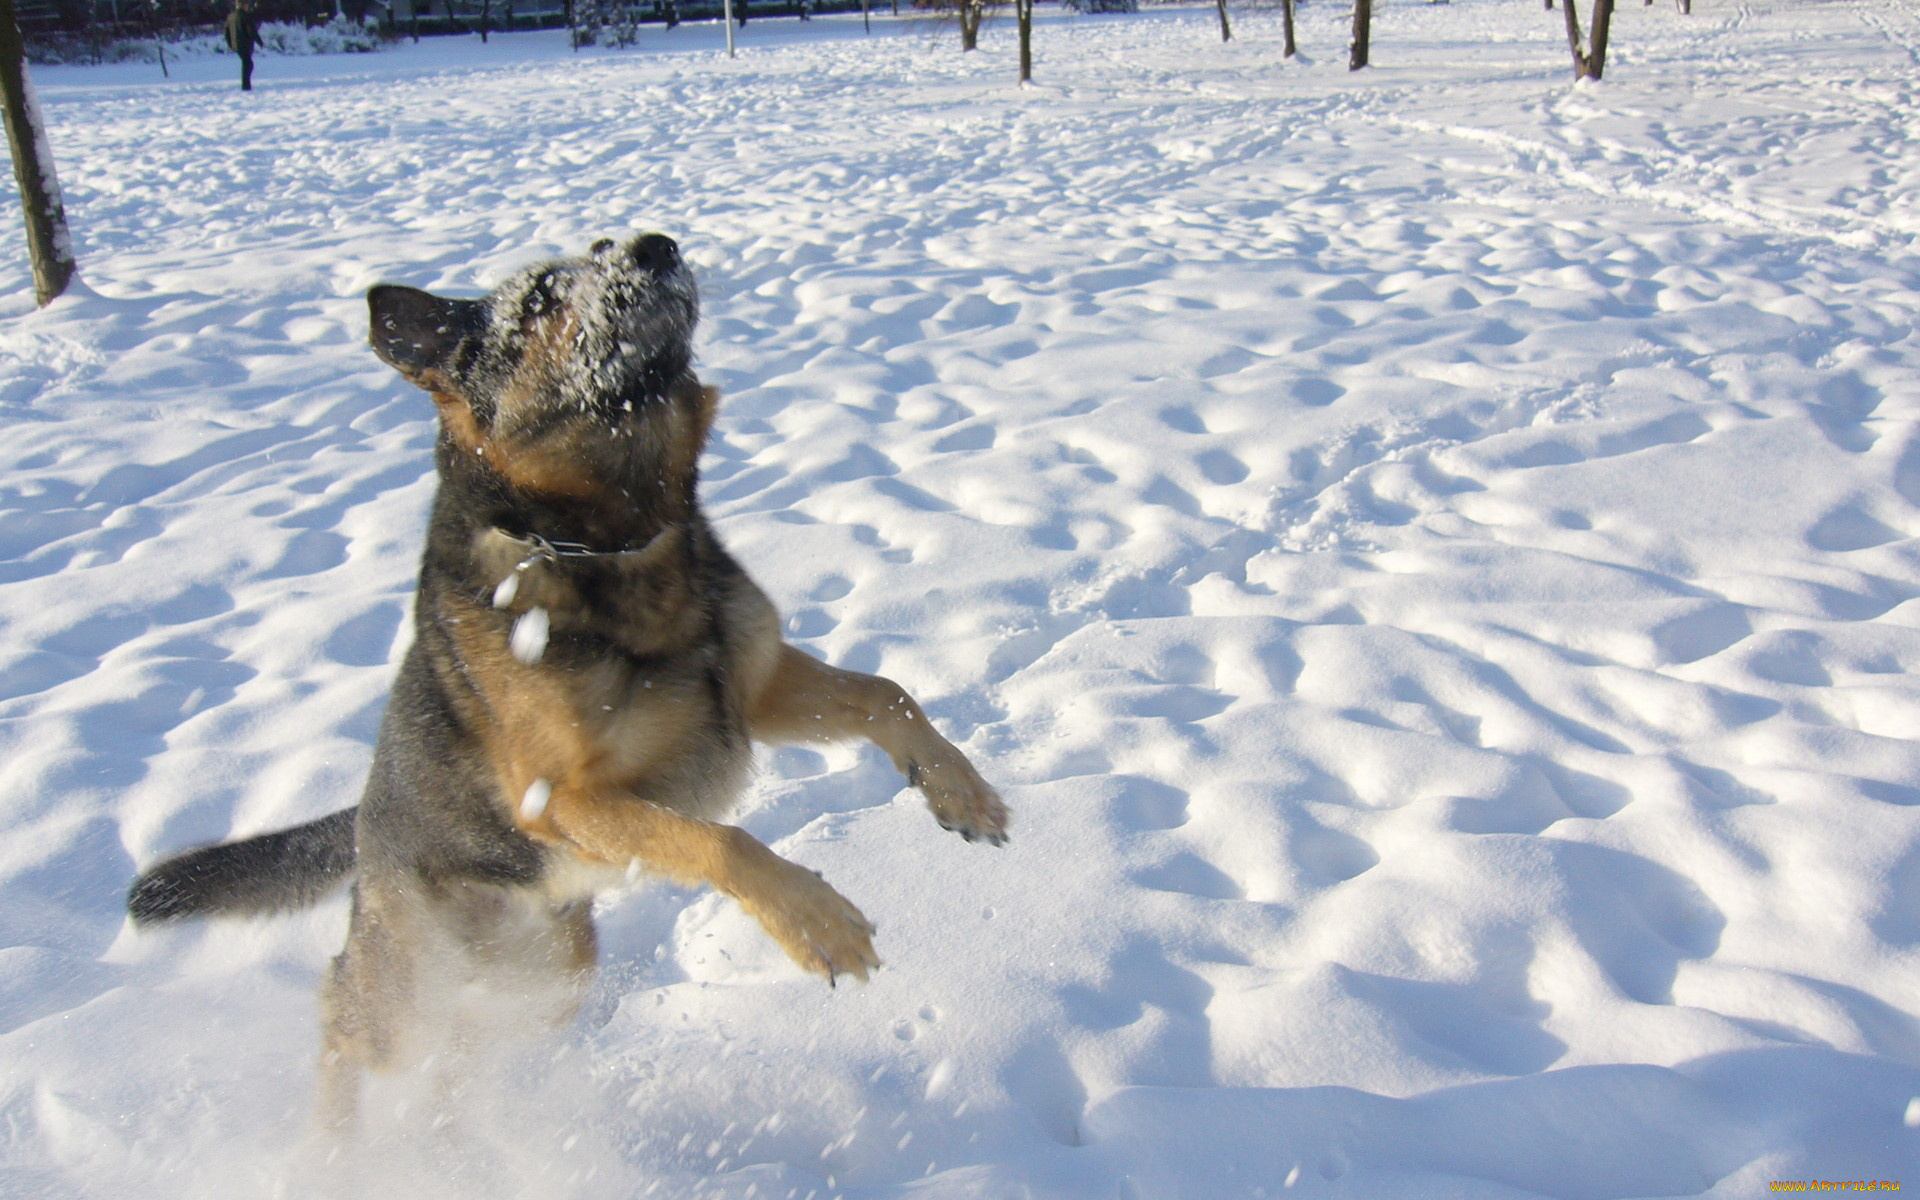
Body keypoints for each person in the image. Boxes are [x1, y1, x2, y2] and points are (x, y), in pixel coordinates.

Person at [225, 0, 262, 92]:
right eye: (247, 5)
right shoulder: (245, 16)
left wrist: (230, 44)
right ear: (243, 5)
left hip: (236, 45)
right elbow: (251, 31)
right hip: (245, 44)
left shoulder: (231, 16)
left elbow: (226, 32)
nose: (248, 7)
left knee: (247, 63)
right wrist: (259, 42)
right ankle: (246, 86)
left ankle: (246, 85)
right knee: (248, 64)